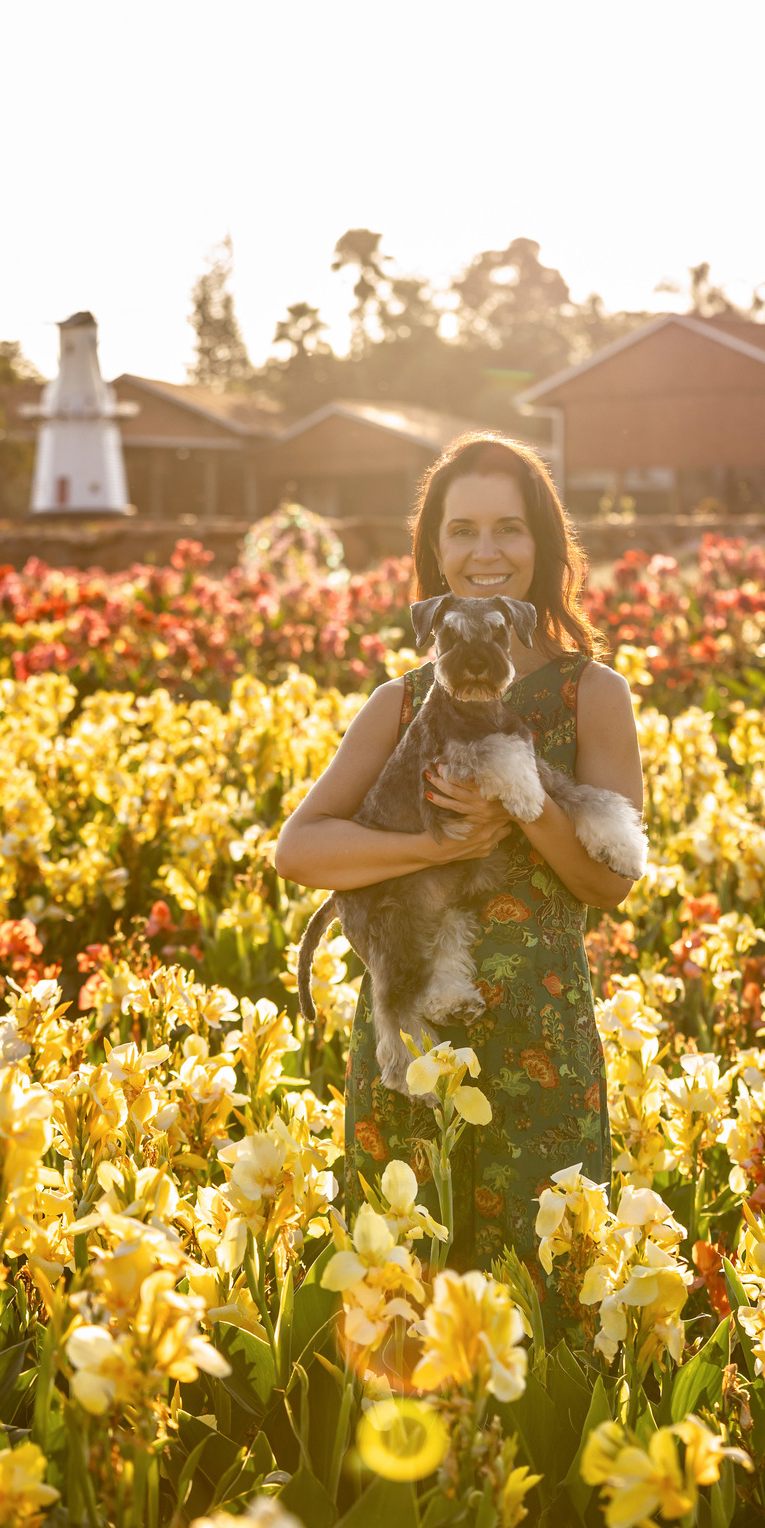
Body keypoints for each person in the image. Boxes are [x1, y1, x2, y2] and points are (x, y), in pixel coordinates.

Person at [274, 433, 644, 1344]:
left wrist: (522, 815)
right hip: (414, 1037)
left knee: (554, 1313)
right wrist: (434, 846)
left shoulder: (596, 696)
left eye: (510, 530)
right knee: (406, 1313)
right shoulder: (399, 700)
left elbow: (610, 886)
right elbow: (300, 850)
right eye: (463, 531)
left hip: (541, 1038)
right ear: (434, 552)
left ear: (545, 545)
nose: (488, 553)